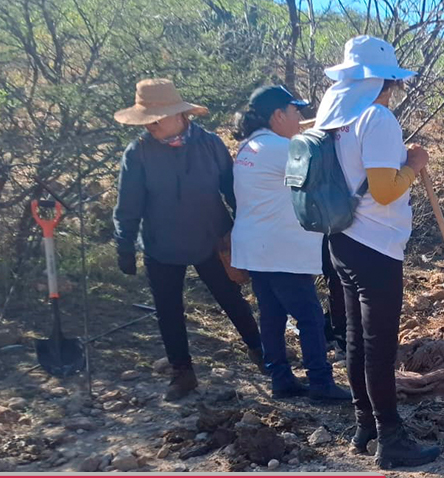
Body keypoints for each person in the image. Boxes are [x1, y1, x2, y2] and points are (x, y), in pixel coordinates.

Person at [316, 36, 441, 468]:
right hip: (376, 243)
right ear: (384, 81)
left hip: (340, 239)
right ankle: (391, 438)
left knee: (356, 339)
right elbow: (386, 191)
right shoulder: (377, 117)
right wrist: (414, 164)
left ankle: (364, 425)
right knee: (379, 344)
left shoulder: (332, 114)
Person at [113, 79, 265, 402]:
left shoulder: (209, 144)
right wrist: (124, 244)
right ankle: (182, 373)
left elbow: (232, 189)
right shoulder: (138, 153)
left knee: (230, 296)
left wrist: (247, 226)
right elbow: (128, 205)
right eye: (147, 120)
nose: (151, 125)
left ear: (180, 115)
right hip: (160, 243)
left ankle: (260, 350)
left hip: (211, 237)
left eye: (157, 117)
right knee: (168, 309)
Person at [229, 85, 352, 402]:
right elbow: (322, 167)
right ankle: (321, 383)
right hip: (279, 249)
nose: (300, 118)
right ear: (278, 115)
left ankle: (281, 378)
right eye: (296, 112)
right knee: (309, 317)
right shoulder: (278, 149)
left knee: (271, 315)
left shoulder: (249, 147)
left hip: (256, 247)